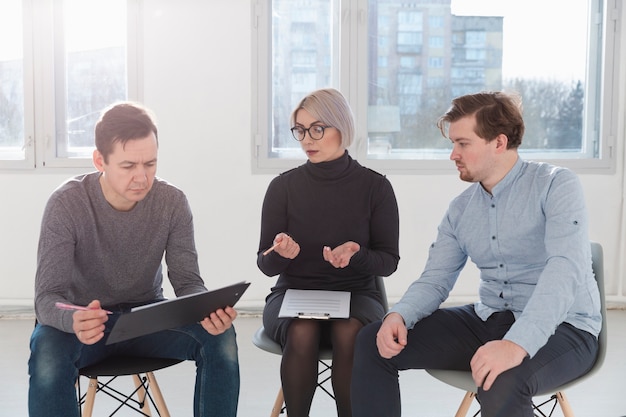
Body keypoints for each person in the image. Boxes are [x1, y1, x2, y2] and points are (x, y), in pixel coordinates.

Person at [351, 91, 602, 417]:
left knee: (501, 378)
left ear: (499, 143)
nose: (453, 154)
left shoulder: (556, 185)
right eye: (452, 144)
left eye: (463, 143)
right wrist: (400, 315)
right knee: (373, 341)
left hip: (565, 327)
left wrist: (517, 344)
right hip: (491, 318)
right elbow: (436, 280)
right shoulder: (461, 210)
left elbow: (565, 269)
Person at [28, 102, 240, 417]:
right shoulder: (66, 204)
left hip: (146, 319)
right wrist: (72, 319)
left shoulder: (172, 202)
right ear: (100, 160)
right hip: (84, 323)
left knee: (220, 336)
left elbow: (188, 282)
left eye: (150, 164)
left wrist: (206, 309)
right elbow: (47, 298)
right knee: (46, 351)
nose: (142, 177)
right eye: (128, 166)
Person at [257, 88, 400, 417]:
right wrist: (281, 253)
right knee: (302, 330)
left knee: (348, 331)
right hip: (293, 294)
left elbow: (388, 262)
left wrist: (357, 255)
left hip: (357, 294)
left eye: (318, 128)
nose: (308, 138)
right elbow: (265, 265)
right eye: (300, 130)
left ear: (342, 128)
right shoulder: (283, 187)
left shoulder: (375, 187)